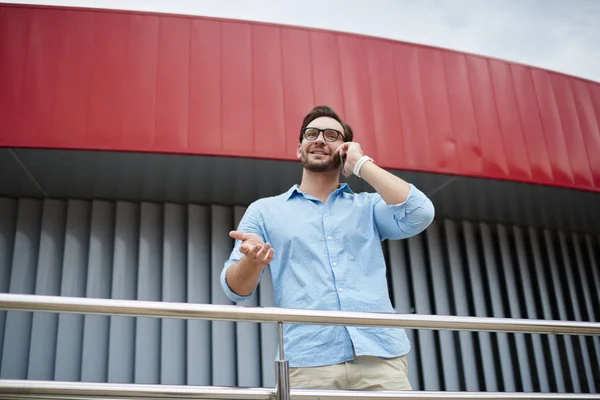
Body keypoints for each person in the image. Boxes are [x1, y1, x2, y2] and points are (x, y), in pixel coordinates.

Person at [220, 105, 435, 391]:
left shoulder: (369, 207)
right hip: (308, 363)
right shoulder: (264, 211)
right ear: (299, 149)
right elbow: (235, 290)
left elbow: (420, 213)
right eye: (312, 133)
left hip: (381, 359)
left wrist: (361, 164)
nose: (320, 139)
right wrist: (253, 262)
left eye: (332, 135)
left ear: (344, 149)